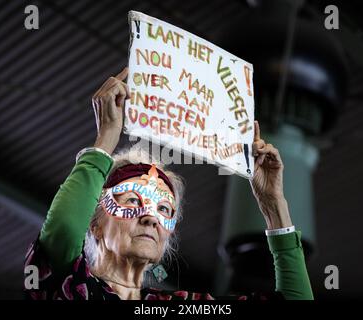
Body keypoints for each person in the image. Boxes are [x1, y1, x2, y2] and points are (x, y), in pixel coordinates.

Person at [23, 67, 314, 300]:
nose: (150, 217)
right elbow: (62, 229)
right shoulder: (68, 284)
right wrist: (106, 140)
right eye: (133, 201)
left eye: (164, 208)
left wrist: (273, 205)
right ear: (95, 223)